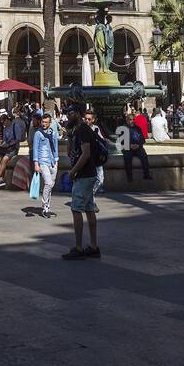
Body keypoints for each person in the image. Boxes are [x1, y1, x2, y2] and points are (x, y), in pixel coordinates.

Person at [62, 101, 100, 259]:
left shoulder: (83, 129)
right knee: (89, 209)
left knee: (76, 209)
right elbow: (70, 151)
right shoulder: (76, 130)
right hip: (87, 174)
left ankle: (78, 247)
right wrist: (70, 136)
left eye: (71, 113)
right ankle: (93, 246)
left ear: (78, 114)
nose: (68, 116)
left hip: (84, 175)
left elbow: (85, 153)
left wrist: (73, 172)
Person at [31, 111, 59, 217]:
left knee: (51, 185)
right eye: (43, 122)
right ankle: (44, 207)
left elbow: (55, 147)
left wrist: (56, 161)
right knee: (48, 183)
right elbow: (35, 149)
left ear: (50, 122)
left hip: (52, 162)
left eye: (46, 122)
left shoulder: (53, 133)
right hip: (42, 161)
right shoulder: (38, 133)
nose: (44, 124)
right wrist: (36, 163)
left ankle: (48, 206)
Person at [122, 117, 151, 183]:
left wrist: (139, 145)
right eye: (130, 119)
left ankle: (146, 174)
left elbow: (143, 140)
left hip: (138, 147)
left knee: (144, 156)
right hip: (128, 147)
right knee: (127, 157)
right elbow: (121, 141)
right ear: (127, 121)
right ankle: (129, 177)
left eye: (133, 120)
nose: (132, 121)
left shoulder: (138, 128)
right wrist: (129, 145)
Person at [84, 109, 107, 194]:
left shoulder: (96, 128)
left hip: (96, 157)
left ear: (93, 120)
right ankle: (90, 196)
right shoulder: (81, 129)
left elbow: (101, 140)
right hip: (86, 157)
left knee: (100, 179)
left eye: (89, 119)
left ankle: (91, 193)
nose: (87, 120)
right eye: (85, 118)